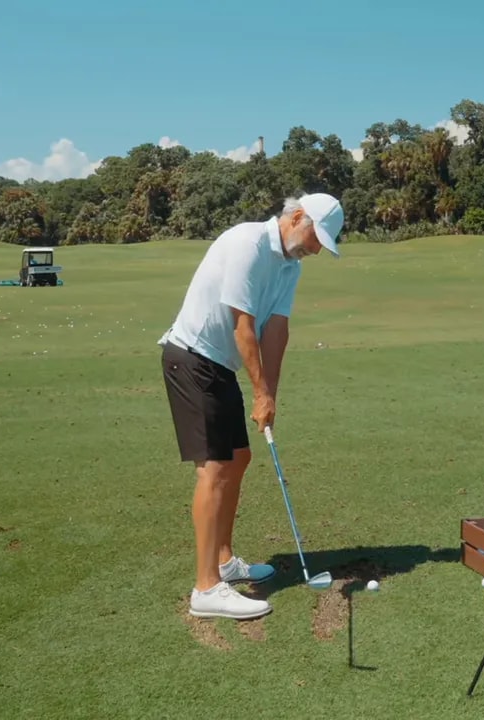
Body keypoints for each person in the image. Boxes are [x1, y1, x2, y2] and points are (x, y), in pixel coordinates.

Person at [158, 192, 344, 620]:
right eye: (316, 238)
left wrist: (270, 393)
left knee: (238, 458)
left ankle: (224, 561)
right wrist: (259, 392)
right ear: (297, 217)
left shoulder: (290, 266)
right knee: (215, 469)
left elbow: (276, 330)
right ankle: (206, 588)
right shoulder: (248, 243)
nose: (316, 249)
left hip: (219, 365)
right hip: (192, 357)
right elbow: (242, 325)